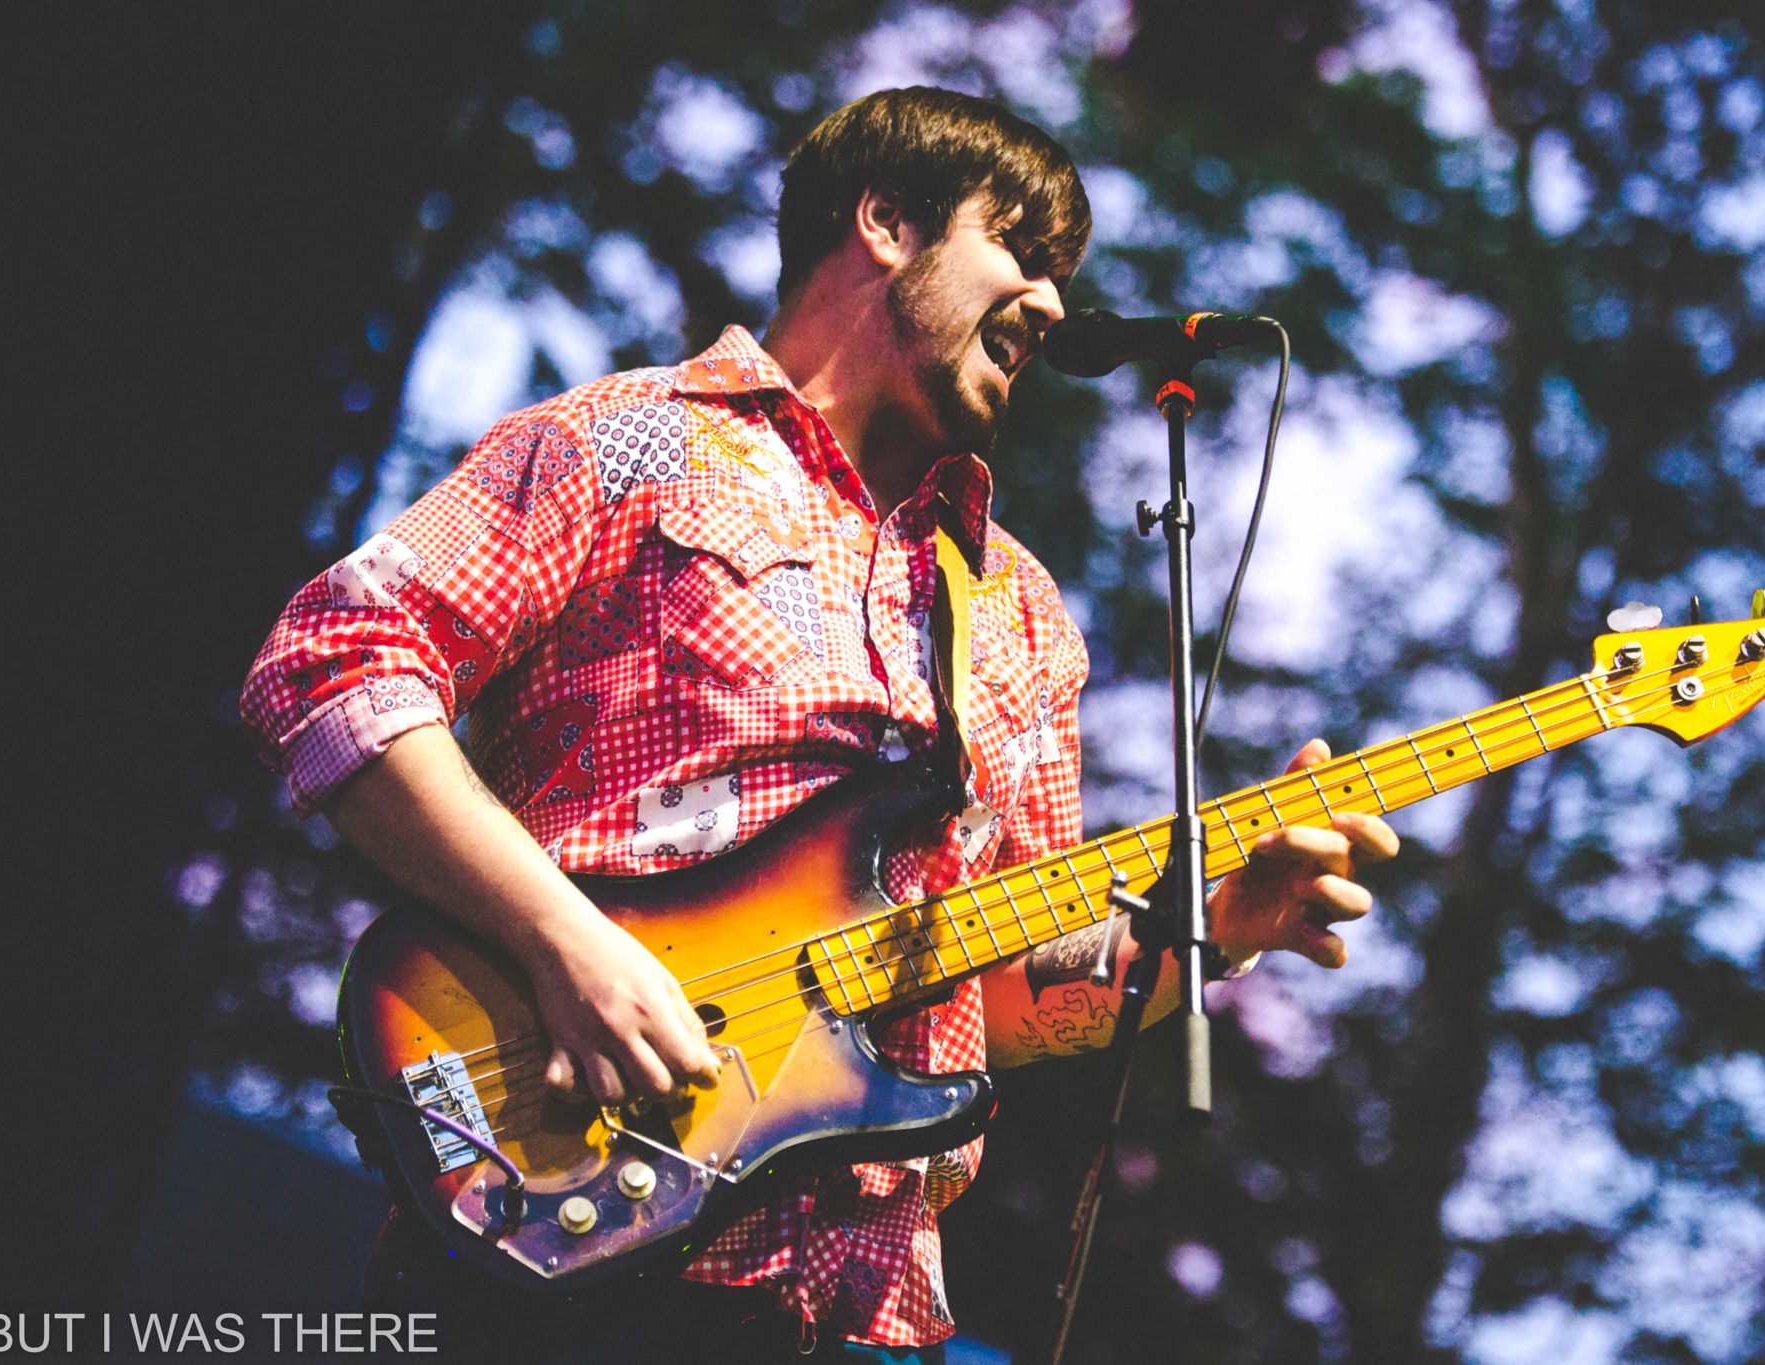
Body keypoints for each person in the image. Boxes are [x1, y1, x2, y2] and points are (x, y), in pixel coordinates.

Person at [241, 86, 1396, 1362]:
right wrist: (564, 943)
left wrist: (1210, 937)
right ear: (887, 222)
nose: (1058, 305)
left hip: (863, 1308)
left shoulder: (1016, 612)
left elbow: (991, 992)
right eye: (1021, 250)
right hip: (562, 1235)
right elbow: (332, 665)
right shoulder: (631, 445)